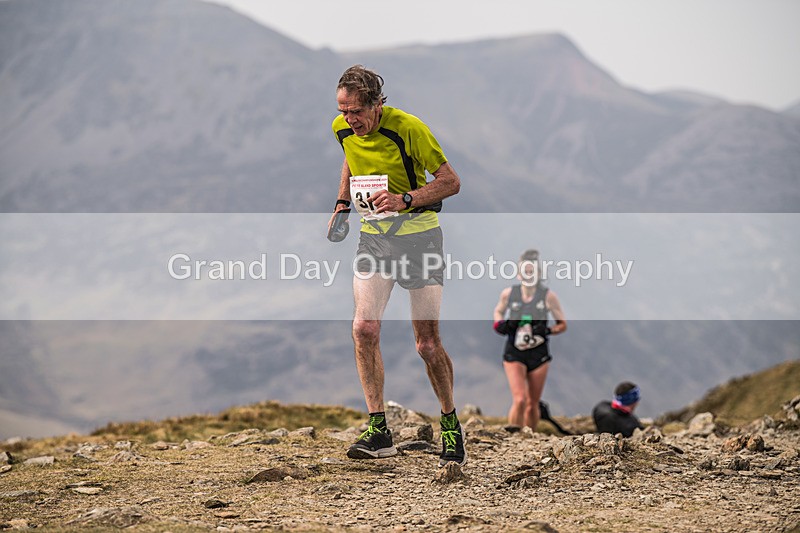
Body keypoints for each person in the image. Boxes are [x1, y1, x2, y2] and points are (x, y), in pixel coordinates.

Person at [327, 65, 466, 467]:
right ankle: (378, 430)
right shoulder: (342, 128)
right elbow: (351, 158)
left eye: (357, 111)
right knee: (364, 328)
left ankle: (450, 422)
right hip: (375, 238)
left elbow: (451, 181)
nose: (349, 120)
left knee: (427, 344)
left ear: (377, 104)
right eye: (343, 111)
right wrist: (342, 203)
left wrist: (404, 200)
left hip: (420, 238)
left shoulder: (408, 128)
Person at [493, 249, 567, 430]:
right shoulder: (509, 294)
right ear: (518, 275)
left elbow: (562, 324)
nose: (528, 275)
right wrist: (499, 324)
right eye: (525, 272)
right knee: (519, 399)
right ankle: (512, 436)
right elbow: (499, 310)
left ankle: (530, 436)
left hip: (538, 352)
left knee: (532, 403)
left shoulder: (548, 297)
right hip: (514, 351)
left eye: (532, 272)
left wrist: (547, 330)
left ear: (539, 274)